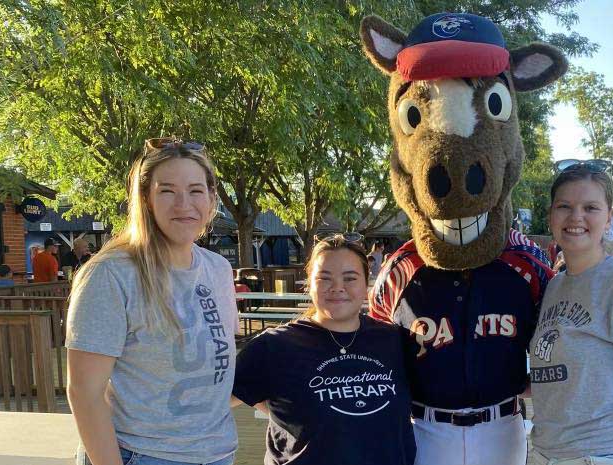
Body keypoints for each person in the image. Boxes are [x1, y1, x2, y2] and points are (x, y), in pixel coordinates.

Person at [66, 138, 238, 465]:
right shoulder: (111, 274)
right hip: (142, 456)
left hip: (218, 454)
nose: (184, 204)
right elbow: (84, 394)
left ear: (212, 198)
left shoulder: (218, 269)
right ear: (146, 199)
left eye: (196, 190)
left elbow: (216, 373)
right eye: (168, 190)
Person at [232, 234, 415, 464]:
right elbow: (214, 401)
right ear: (309, 284)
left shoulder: (394, 340)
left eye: (350, 278)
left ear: (366, 283)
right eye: (324, 278)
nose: (337, 288)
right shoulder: (276, 346)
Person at [530, 160, 613, 465]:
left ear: (608, 219)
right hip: (544, 452)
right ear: (551, 216)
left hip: (601, 455)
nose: (576, 217)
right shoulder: (555, 286)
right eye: (564, 206)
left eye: (590, 207)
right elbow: (562, 375)